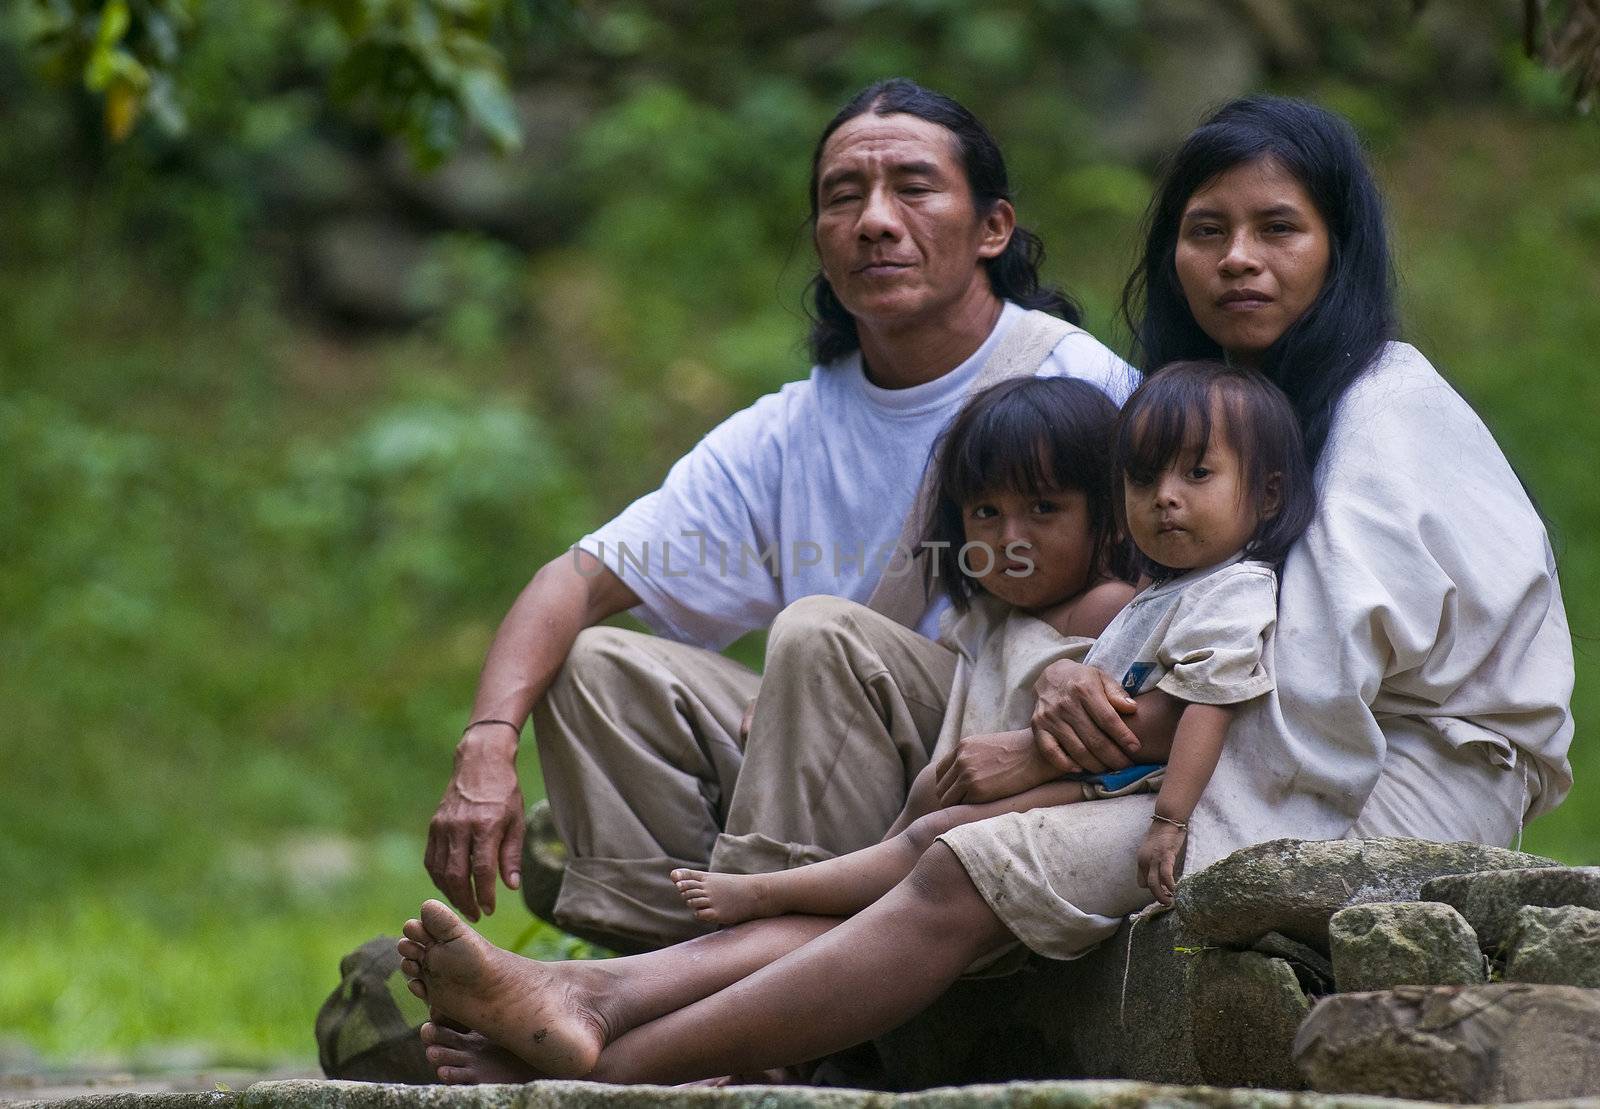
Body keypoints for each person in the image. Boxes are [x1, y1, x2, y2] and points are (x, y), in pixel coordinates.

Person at [395, 95, 1574, 1086]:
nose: (1236, 261)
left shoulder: (1377, 407)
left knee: (958, 851)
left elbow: (1307, 688)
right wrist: (1071, 707)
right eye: (1205, 229)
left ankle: (603, 1053)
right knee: (938, 829)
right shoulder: (1216, 401)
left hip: (1369, 777)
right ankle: (594, 993)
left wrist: (1067, 764)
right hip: (1207, 745)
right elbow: (1175, 622)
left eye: (1279, 229)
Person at [421, 78, 1134, 953]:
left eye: (913, 187)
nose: (875, 220)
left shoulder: (1077, 381)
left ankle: (751, 972)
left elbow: (1171, 596)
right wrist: (487, 744)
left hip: (991, 748)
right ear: (821, 241)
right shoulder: (789, 428)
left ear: (994, 227)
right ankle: (657, 956)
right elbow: (571, 581)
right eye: (844, 196)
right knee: (595, 663)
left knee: (818, 635)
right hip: (826, 760)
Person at [671, 360, 1313, 923]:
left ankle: (778, 896)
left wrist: (1167, 820)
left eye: (1043, 510)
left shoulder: (1123, 605)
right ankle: (798, 899)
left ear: (1107, 514)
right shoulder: (991, 615)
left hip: (1070, 808)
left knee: (927, 834)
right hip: (981, 796)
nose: (1010, 538)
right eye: (985, 514)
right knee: (917, 826)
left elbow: (1162, 715)